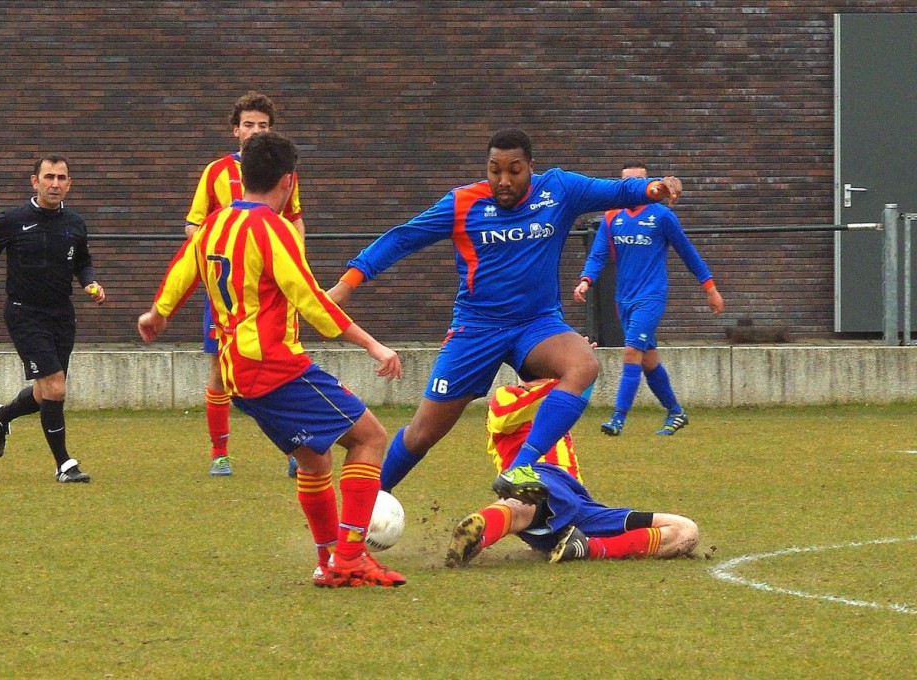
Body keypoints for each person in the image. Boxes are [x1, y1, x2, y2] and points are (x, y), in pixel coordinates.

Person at [328, 128, 683, 503]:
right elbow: (402, 238)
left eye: (514, 170)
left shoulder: (559, 190)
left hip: (537, 325)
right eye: (494, 170)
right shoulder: (463, 202)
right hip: (475, 329)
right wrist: (348, 283)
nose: (503, 180)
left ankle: (521, 467)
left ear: (531, 167)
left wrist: (654, 188)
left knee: (583, 365)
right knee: (422, 434)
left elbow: (615, 190)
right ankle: (361, 509)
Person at [139, 132, 406, 588]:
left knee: (315, 462)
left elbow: (183, 268)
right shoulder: (273, 229)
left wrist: (158, 313)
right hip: (276, 367)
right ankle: (348, 557)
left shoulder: (216, 224)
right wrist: (373, 345)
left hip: (235, 374)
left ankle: (327, 562)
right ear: (288, 181)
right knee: (371, 438)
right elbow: (312, 302)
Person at [445, 377, 699, 568]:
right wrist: (563, 380)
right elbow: (502, 417)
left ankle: (584, 548)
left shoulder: (563, 405)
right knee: (525, 503)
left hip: (579, 503)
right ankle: (479, 532)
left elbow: (576, 395)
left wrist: (577, 378)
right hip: (534, 479)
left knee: (685, 530)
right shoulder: (508, 394)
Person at [184, 91, 305, 478]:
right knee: (221, 372)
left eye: (263, 126)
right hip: (227, 293)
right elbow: (192, 225)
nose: (255, 131)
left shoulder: (285, 174)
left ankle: (296, 446)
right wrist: (219, 243)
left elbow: (295, 219)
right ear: (235, 130)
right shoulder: (216, 172)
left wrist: (295, 261)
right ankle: (219, 453)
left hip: (272, 293)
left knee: (285, 366)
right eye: (248, 124)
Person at [0, 154, 105, 483]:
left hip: (62, 314)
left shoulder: (75, 224)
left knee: (45, 392)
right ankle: (64, 464)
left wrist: (90, 281)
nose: (55, 184)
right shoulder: (11, 221)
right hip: (24, 313)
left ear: (69, 184)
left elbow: (83, 262)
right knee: (56, 387)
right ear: (35, 182)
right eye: (49, 177)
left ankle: (0, 414)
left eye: (61, 178)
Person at [574, 162, 724, 437]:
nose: (631, 189)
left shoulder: (662, 216)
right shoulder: (611, 217)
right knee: (648, 360)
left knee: (631, 351)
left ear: (649, 185)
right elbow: (598, 255)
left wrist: (710, 287)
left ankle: (618, 419)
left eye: (637, 183)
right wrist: (586, 280)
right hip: (624, 299)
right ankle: (676, 412)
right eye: (625, 184)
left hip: (651, 296)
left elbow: (688, 253)